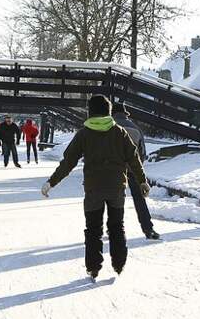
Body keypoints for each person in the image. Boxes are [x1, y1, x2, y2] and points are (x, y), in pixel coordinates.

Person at [40, 94, 149, 279]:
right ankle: (119, 263)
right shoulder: (119, 132)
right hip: (116, 189)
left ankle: (93, 267)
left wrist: (51, 182)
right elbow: (133, 158)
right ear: (107, 111)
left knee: (93, 229)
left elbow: (69, 161)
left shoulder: (84, 133)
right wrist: (142, 180)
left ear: (91, 111)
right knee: (117, 226)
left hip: (93, 189)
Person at [112, 102, 160, 240]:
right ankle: (148, 229)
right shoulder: (136, 128)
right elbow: (142, 152)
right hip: (133, 169)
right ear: (125, 114)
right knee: (139, 199)